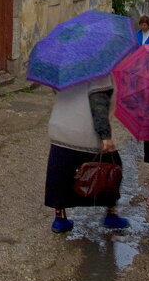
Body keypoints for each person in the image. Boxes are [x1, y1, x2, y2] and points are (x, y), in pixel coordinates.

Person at [45, 73, 130, 233]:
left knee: (60, 175)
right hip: (85, 133)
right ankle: (111, 215)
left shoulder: (64, 70)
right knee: (111, 170)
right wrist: (105, 136)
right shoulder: (100, 75)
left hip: (60, 129)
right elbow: (99, 105)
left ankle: (60, 219)